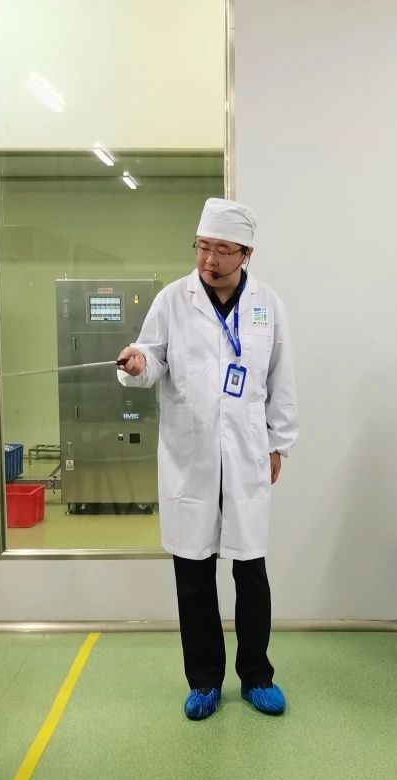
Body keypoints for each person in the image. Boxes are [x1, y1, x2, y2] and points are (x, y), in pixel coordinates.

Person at [117, 198, 298, 721]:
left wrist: (278, 443)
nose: (209, 260)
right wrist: (137, 364)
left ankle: (257, 675)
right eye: (202, 247)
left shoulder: (267, 305)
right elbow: (151, 357)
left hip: (246, 453)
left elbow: (281, 378)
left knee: (251, 570)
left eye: (222, 250)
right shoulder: (173, 300)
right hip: (189, 454)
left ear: (246, 254)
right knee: (193, 574)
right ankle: (203, 681)